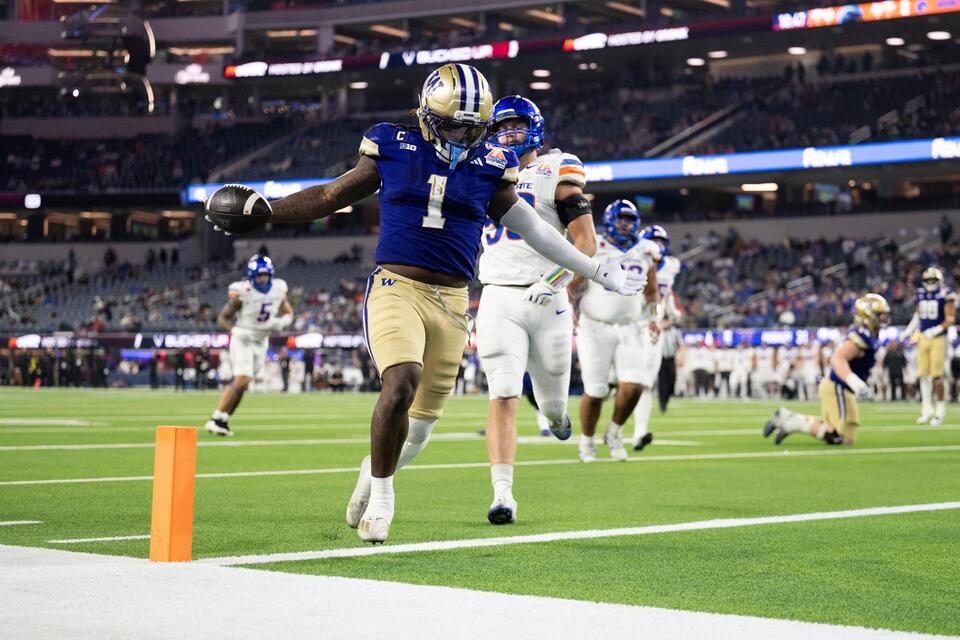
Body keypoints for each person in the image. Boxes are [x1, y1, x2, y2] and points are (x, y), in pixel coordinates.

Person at [203, 64, 644, 544]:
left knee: (419, 430)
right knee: (401, 381)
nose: (461, 137)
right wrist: (269, 212)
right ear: (428, 116)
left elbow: (535, 229)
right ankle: (384, 498)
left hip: (453, 301)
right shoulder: (393, 145)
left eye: (471, 129)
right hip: (397, 286)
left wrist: (595, 270)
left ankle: (371, 472)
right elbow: (332, 194)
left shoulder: (491, 163)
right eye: (452, 126)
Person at [475, 95, 597, 524]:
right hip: (498, 295)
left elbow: (586, 245)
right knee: (503, 392)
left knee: (552, 404)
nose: (510, 133)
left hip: (548, 298)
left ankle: (558, 417)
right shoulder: (481, 170)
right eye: (502, 127)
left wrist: (554, 282)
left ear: (536, 129)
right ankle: (502, 494)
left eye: (518, 126)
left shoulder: (556, 170)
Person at [576, 200, 660, 463]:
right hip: (594, 326)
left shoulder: (646, 250)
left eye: (629, 219)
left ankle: (614, 433)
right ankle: (586, 442)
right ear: (610, 220)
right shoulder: (594, 245)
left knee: (635, 384)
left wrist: (654, 318)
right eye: (620, 219)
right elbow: (572, 282)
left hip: (630, 326)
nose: (625, 224)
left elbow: (652, 292)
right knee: (596, 390)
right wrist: (568, 310)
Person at [763, 294, 890, 446]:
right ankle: (792, 422)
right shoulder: (862, 336)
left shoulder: (868, 334)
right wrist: (854, 381)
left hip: (840, 387)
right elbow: (837, 358)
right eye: (880, 314)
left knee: (843, 435)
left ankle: (789, 419)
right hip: (838, 386)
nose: (884, 318)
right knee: (840, 437)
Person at [204, 255, 293, 436]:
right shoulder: (243, 290)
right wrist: (236, 331)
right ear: (252, 276)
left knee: (244, 383)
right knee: (242, 378)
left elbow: (288, 312)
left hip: (261, 340)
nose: (262, 279)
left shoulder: (278, 288)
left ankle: (223, 419)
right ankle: (214, 418)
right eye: (259, 275)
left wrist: (283, 321)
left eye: (265, 275)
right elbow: (222, 318)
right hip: (243, 339)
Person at [631, 224, 682, 451]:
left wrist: (669, 312)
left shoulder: (671, 266)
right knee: (613, 383)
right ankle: (614, 429)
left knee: (646, 382)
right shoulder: (633, 260)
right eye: (654, 241)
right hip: (630, 324)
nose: (657, 246)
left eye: (661, 242)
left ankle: (639, 432)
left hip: (653, 328)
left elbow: (666, 294)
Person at [903, 267, 954, 426]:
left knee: (937, 376)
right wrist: (909, 330)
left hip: (939, 338)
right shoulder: (920, 294)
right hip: (923, 337)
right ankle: (926, 409)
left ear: (939, 281)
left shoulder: (946, 294)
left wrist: (936, 330)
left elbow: (950, 319)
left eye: (933, 280)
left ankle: (940, 411)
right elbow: (918, 315)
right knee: (923, 375)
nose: (931, 282)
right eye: (928, 280)